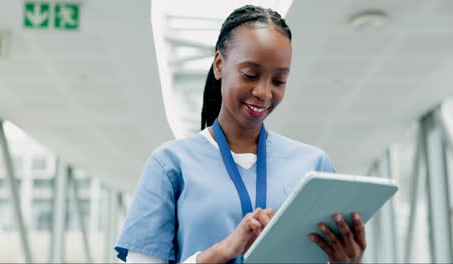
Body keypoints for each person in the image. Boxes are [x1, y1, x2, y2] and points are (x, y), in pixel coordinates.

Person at [114, 5, 366, 264]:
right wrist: (220, 253)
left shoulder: (314, 167)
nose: (264, 93)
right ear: (220, 65)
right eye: (250, 75)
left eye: (279, 81)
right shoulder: (169, 165)